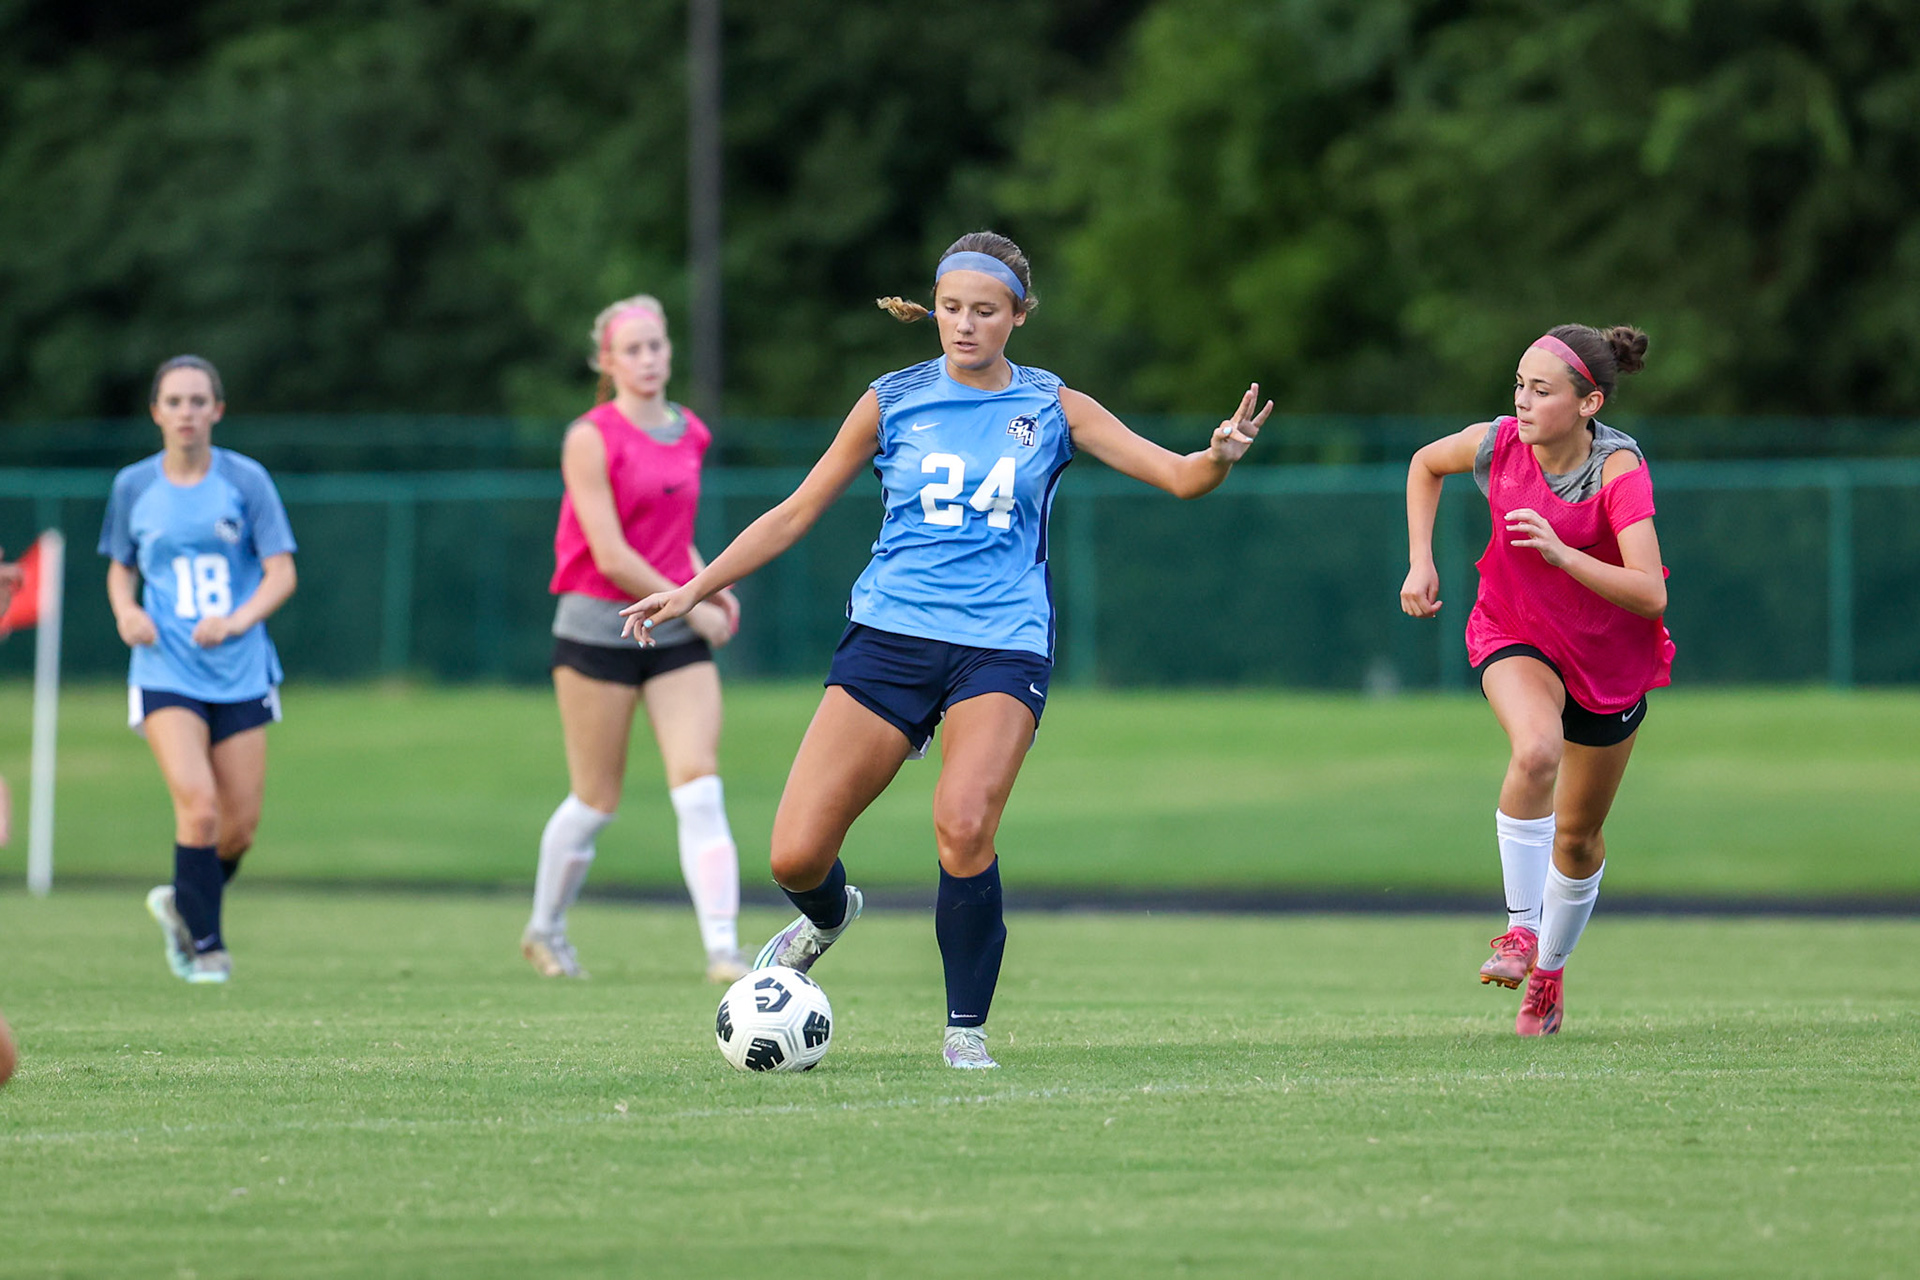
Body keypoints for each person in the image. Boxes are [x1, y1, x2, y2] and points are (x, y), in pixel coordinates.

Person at [622, 232, 1268, 1068]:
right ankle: (828, 916)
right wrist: (692, 589)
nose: (964, 326)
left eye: (985, 311)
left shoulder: (1055, 406)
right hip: (889, 640)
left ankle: (966, 1032)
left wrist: (1217, 456)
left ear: (1019, 316)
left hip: (1001, 647)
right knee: (793, 854)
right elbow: (793, 511)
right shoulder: (892, 400)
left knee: (963, 827)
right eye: (952, 308)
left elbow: (1180, 477)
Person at [1400, 325, 1673, 1036]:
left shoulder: (1617, 470)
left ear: (1589, 404)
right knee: (1535, 751)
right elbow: (1425, 465)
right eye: (1519, 383)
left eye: (1541, 390)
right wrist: (1420, 561)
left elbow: (1650, 593)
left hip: (1609, 663)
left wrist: (1563, 554)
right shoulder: (1497, 443)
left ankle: (1548, 976)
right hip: (1514, 630)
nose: (1522, 401)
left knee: (1578, 839)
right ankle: (1519, 932)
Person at [523, 295, 750, 984]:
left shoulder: (691, 431)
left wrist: (711, 579)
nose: (648, 360)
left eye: (657, 346)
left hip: (673, 633)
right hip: (599, 627)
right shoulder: (589, 436)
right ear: (607, 362)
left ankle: (723, 950)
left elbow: (672, 533)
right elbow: (614, 554)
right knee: (595, 800)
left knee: (699, 786)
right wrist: (696, 605)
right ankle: (545, 929)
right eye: (633, 350)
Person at [100, 356, 299, 984]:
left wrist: (237, 622)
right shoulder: (134, 485)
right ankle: (205, 946)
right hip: (165, 670)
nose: (186, 413)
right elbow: (120, 566)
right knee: (201, 809)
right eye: (174, 401)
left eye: (197, 401)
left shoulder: (247, 481)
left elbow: (281, 573)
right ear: (156, 412)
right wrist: (126, 611)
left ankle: (184, 902)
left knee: (238, 829)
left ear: (217, 410)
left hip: (240, 670)